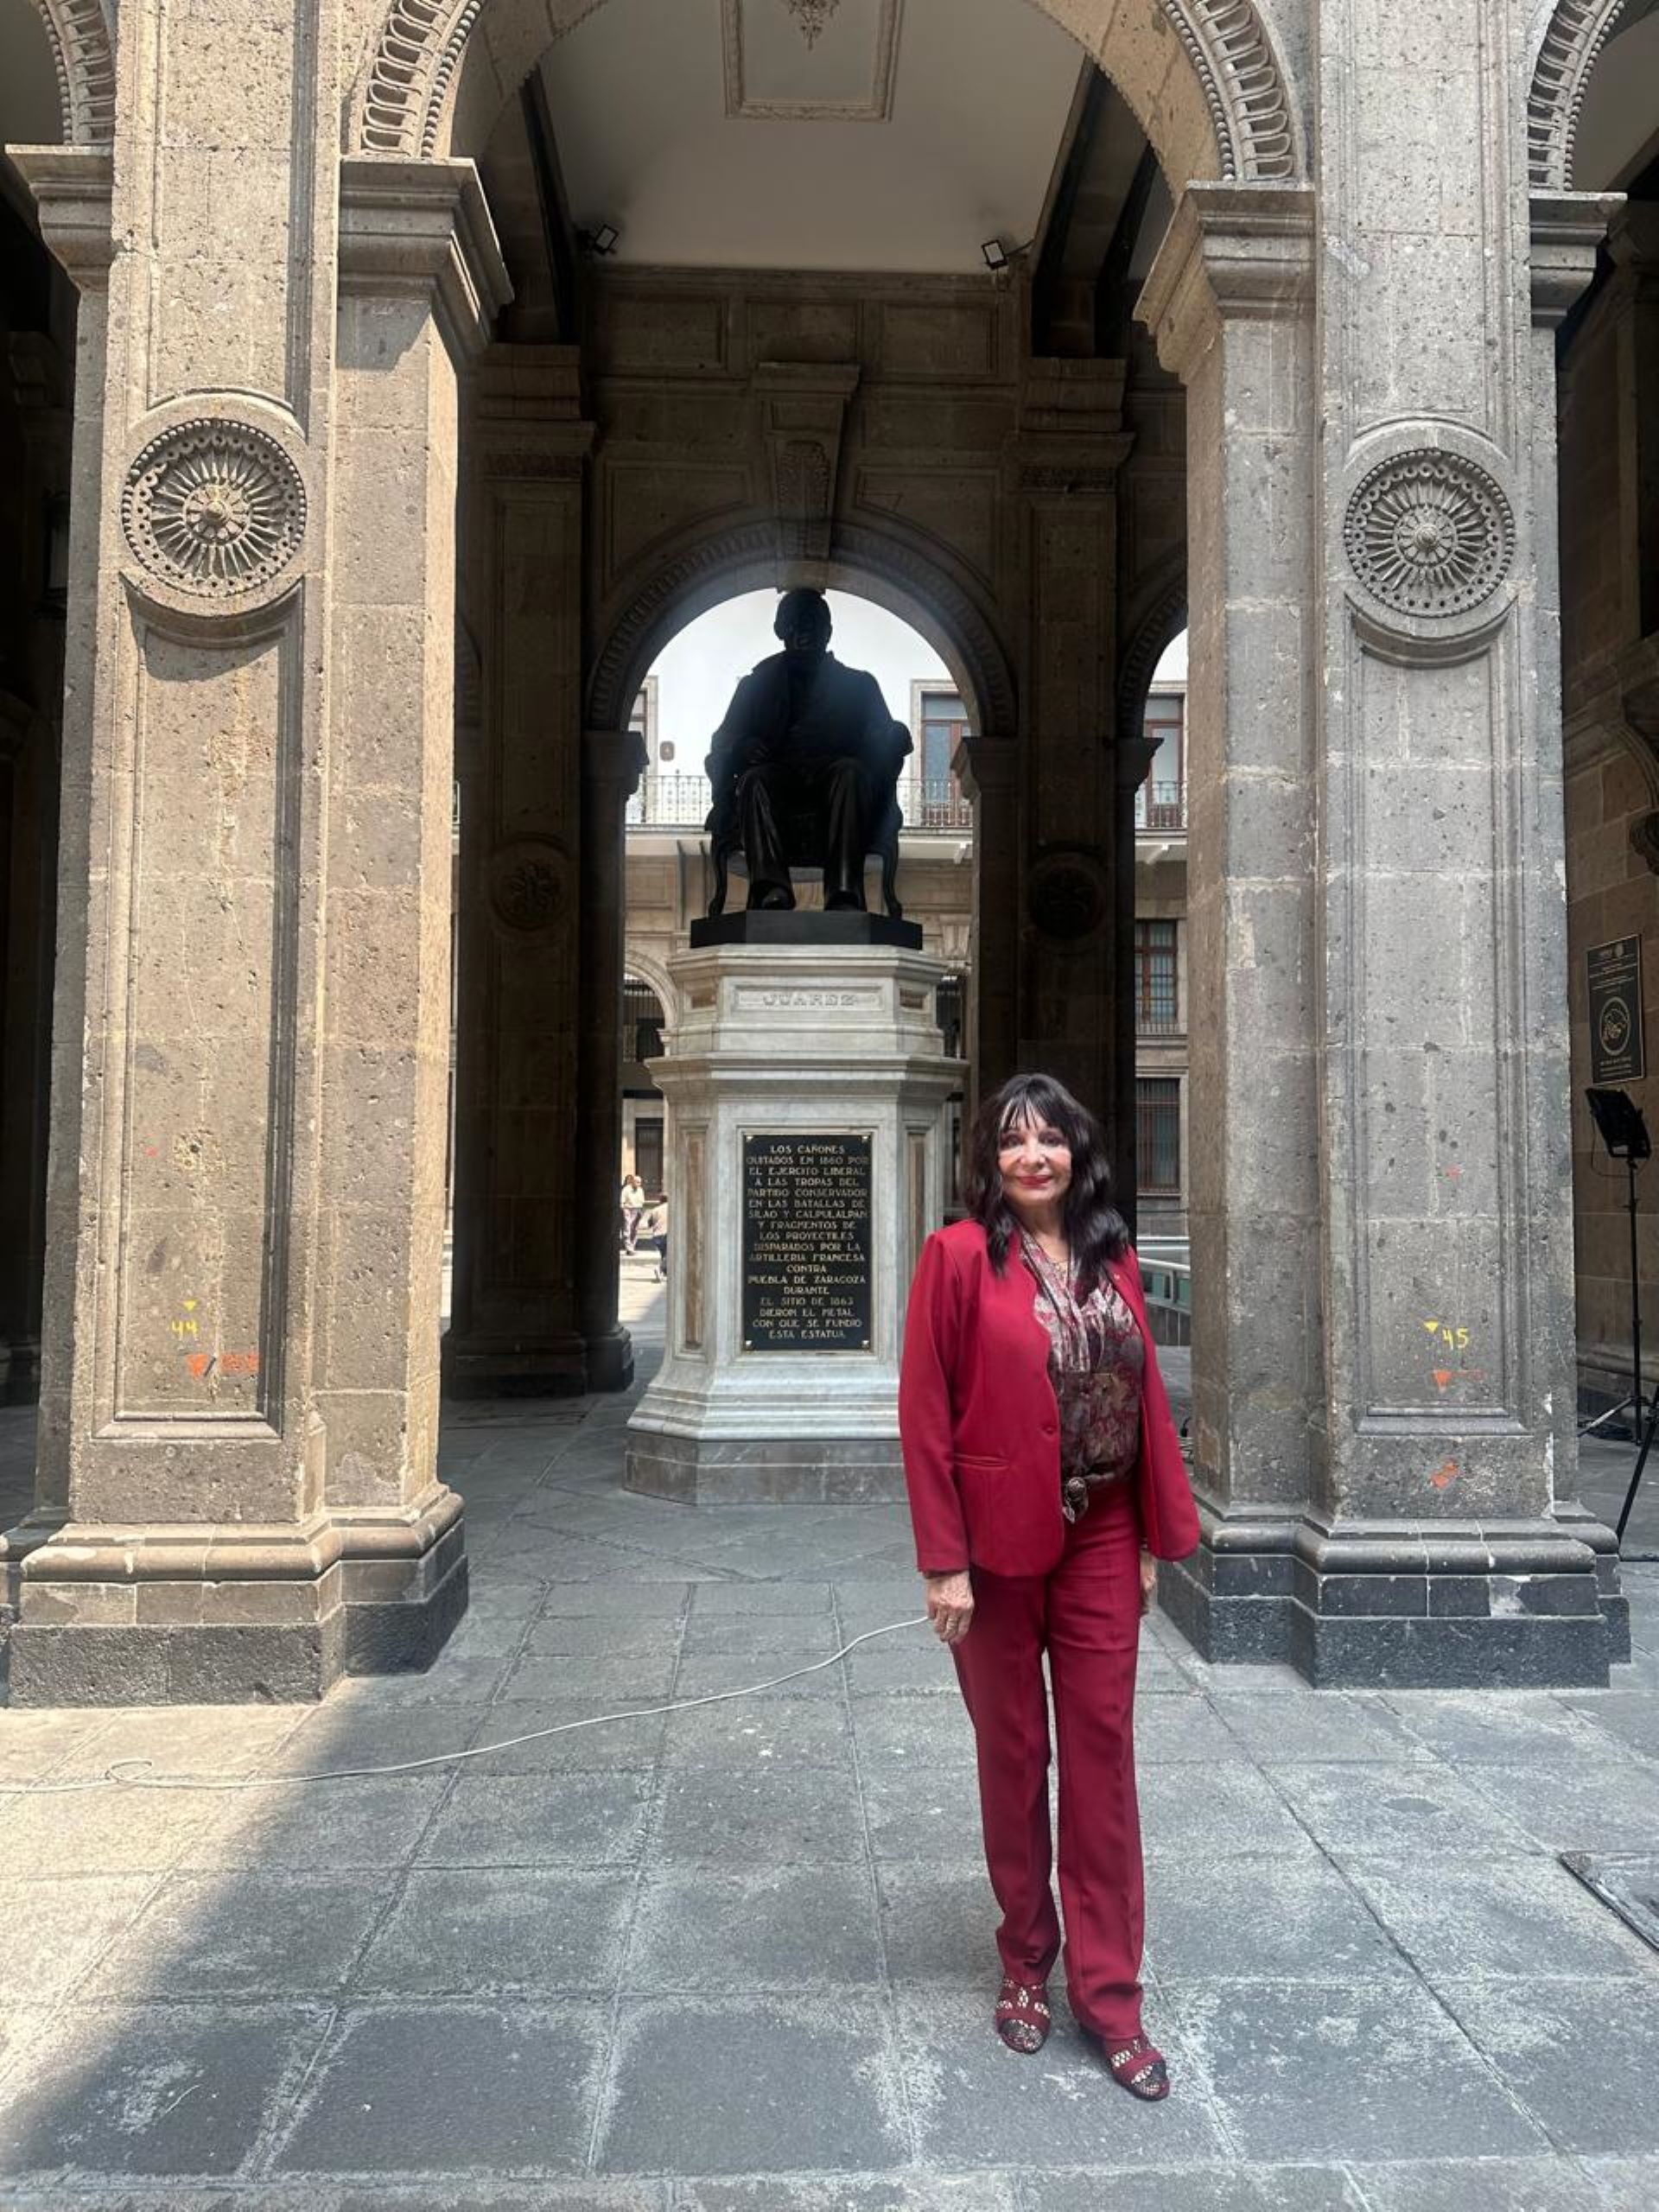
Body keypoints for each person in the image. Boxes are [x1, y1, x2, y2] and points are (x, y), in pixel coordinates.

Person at [898, 1071, 1199, 2101]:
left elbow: (1143, 1393)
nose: (1034, 1156)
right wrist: (943, 1560)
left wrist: (1152, 1528)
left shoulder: (1114, 1254)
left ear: (1078, 1152)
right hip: (992, 1545)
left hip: (1104, 1529)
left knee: (1103, 1758)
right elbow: (924, 1412)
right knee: (1014, 1752)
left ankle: (1111, 1997)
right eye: (1014, 1141)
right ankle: (1026, 1955)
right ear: (990, 1160)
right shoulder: (954, 1258)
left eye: (1052, 1138)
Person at [703, 588, 911, 912]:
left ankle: (844, 892)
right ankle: (771, 889)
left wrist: (893, 737)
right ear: (781, 631)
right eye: (796, 624)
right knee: (755, 780)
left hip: (835, 772)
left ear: (828, 631)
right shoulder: (755, 684)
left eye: (814, 624)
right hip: (779, 773)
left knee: (851, 772)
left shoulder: (859, 684)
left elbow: (883, 734)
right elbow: (723, 740)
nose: (805, 632)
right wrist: (743, 746)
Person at [620, 1172, 646, 1253]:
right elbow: (622, 1201)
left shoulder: (640, 1190)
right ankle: (629, 1248)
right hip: (628, 1209)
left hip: (638, 1209)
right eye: (637, 1182)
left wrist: (641, 1210)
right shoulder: (626, 1189)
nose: (639, 1184)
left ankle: (632, 1246)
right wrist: (624, 1210)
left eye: (640, 1182)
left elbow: (642, 1201)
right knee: (627, 1228)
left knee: (635, 1229)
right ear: (633, 1182)